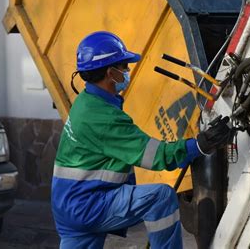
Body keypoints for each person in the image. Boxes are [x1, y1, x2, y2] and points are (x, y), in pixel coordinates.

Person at [51, 31, 232, 249]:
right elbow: (157, 157)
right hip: (88, 205)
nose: (127, 71)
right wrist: (201, 145)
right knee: (160, 197)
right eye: (124, 66)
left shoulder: (86, 102)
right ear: (111, 73)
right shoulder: (103, 118)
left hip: (69, 205)